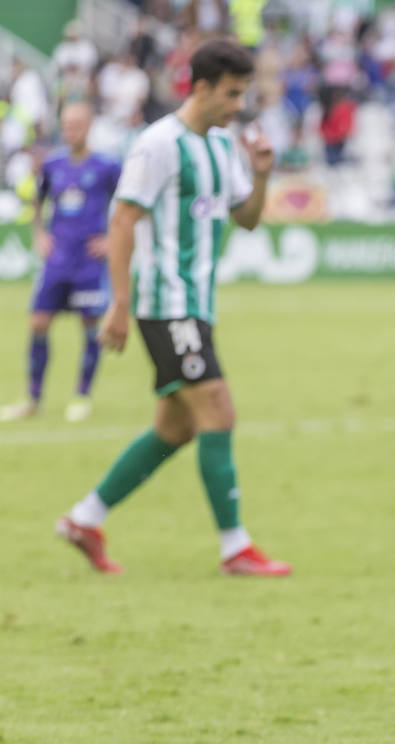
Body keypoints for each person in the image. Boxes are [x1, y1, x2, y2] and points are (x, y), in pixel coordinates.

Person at [55, 38, 290, 578]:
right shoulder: (158, 144)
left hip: (197, 307)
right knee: (218, 411)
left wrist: (259, 173)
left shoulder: (223, 145)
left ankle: (84, 519)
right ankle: (235, 547)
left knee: (176, 428)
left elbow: (247, 219)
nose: (237, 106)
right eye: (231, 94)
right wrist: (119, 301)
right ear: (201, 86)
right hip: (165, 306)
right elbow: (122, 221)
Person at [1, 102, 120, 423]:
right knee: (38, 322)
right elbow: (38, 200)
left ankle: (82, 396)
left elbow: (127, 205)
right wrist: (39, 233)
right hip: (58, 257)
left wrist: (111, 239)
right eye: (67, 125)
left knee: (89, 326)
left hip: (88, 261)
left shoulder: (107, 166)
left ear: (89, 125)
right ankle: (32, 398)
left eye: (77, 125)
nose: (71, 131)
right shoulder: (52, 165)